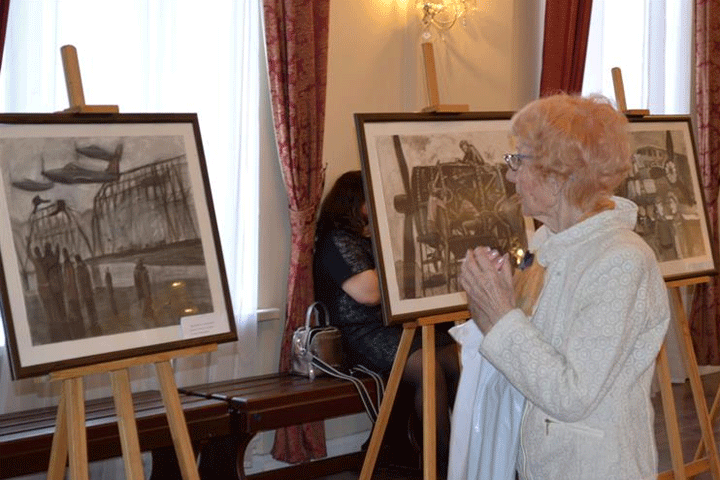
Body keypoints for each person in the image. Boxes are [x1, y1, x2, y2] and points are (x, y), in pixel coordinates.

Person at [457, 94, 670, 480]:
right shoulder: (547, 241)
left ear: (557, 176)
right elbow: (534, 344)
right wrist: (498, 297)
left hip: (595, 465)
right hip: (544, 457)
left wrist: (502, 315)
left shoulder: (621, 260)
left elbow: (572, 394)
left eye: (518, 160)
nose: (510, 175)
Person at [313, 170, 460, 475]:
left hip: (395, 328)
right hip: (360, 334)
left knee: (455, 357)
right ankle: (440, 461)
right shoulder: (337, 241)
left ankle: (468, 450)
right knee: (427, 368)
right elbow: (369, 292)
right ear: (354, 202)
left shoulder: (370, 237)